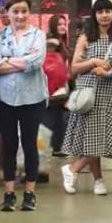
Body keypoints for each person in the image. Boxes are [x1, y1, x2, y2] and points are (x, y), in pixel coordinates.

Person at [61, 0, 112, 196]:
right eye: (100, 11)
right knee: (94, 138)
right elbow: (74, 67)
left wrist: (108, 72)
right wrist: (93, 62)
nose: (104, 15)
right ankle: (80, 172)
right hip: (89, 93)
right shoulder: (86, 37)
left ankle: (88, 176)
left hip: (110, 92)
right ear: (94, 15)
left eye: (108, 11)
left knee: (101, 138)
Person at [0, 0, 47, 212]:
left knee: (29, 144)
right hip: (4, 97)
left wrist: (7, 60)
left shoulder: (38, 35)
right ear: (7, 13)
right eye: (15, 11)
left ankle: (30, 192)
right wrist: (22, 61)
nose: (20, 15)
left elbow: (37, 62)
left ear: (29, 12)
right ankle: (9, 192)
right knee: (9, 144)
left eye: (24, 11)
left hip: (33, 98)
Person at [42, 14, 71, 156]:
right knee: (51, 116)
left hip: (59, 85)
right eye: (59, 24)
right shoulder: (53, 43)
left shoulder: (62, 43)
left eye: (64, 24)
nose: (62, 27)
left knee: (58, 115)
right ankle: (49, 146)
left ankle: (56, 146)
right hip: (52, 85)